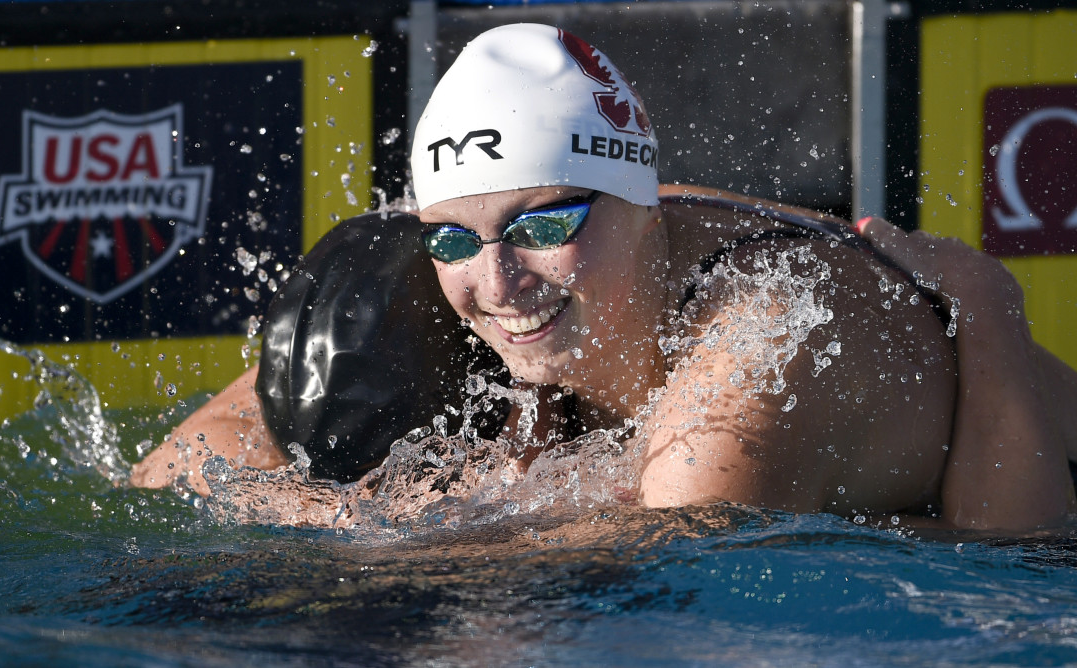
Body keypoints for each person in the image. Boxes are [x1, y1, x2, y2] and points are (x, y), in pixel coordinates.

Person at [131, 24, 1074, 531]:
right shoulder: (485, 253)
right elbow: (174, 469)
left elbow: (1010, 560)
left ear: (645, 203)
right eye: (453, 240)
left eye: (541, 227)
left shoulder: (751, 361)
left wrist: (988, 305)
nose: (497, 282)